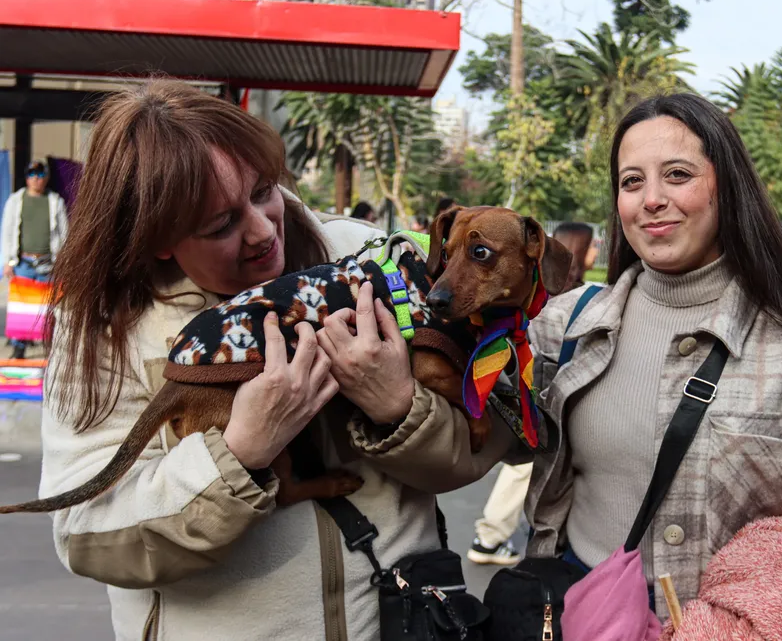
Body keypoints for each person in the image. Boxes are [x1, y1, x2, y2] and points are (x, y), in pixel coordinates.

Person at [37, 81, 509, 641]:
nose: (264, 230)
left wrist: (401, 407)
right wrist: (238, 454)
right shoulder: (102, 329)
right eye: (220, 224)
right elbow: (86, 534)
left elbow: (487, 441)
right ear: (157, 237)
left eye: (264, 191)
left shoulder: (362, 256)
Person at [524, 93, 782, 621]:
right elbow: (468, 438)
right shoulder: (565, 327)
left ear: (726, 187)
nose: (652, 199)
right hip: (579, 619)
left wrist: (733, 626)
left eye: (678, 174)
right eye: (631, 181)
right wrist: (397, 402)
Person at [466, 221, 601, 567]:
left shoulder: (577, 289)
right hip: (537, 390)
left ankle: (493, 535)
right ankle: (490, 535)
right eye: (593, 244)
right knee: (530, 459)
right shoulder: (552, 295)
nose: (598, 250)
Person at [1, 160, 69, 358]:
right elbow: (7, 231)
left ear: (46, 177)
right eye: (32, 174)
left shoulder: (55, 201)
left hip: (48, 263)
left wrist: (63, 261)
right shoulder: (16, 200)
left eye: (40, 175)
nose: (36, 179)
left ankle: (51, 348)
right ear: (27, 177)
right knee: (20, 307)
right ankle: (19, 347)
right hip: (23, 263)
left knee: (49, 307)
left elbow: (64, 233)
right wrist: (8, 260)